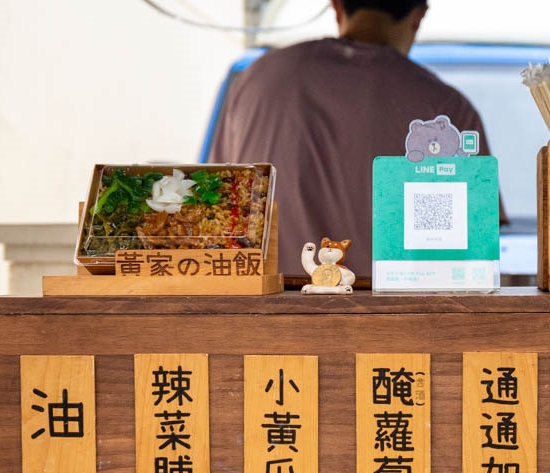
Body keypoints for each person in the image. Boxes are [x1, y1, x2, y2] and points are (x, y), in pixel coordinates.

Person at [207, 0, 502, 281]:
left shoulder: (257, 79)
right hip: (391, 323)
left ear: (337, 7)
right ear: (418, 16)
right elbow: (477, 246)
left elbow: (217, 208)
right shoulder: (448, 110)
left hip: (263, 316)